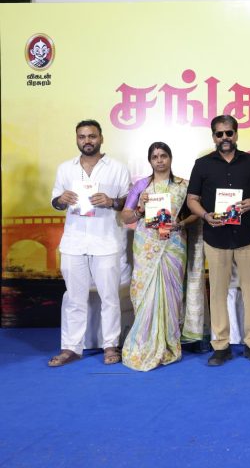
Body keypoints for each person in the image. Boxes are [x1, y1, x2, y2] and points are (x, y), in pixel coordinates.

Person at [186, 115, 250, 366]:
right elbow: (192, 199)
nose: (225, 138)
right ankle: (221, 346)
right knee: (218, 293)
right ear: (213, 136)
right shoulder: (202, 164)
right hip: (216, 237)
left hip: (247, 235)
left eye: (229, 133)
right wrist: (205, 215)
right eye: (219, 134)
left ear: (236, 134)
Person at [48, 119, 130, 367]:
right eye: (82, 137)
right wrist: (61, 200)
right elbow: (55, 202)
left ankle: (110, 345)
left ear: (101, 138)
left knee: (110, 298)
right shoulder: (65, 169)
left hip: (106, 242)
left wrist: (111, 201)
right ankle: (71, 348)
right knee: (74, 298)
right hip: (73, 242)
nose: (87, 141)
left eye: (92, 136)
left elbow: (128, 202)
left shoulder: (117, 168)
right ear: (77, 139)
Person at [119, 142, 198, 371]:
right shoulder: (141, 186)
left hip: (173, 245)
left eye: (163, 156)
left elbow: (196, 213)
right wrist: (139, 209)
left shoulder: (183, 185)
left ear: (170, 158)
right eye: (155, 157)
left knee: (171, 295)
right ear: (150, 161)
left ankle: (169, 344)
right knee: (145, 293)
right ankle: (143, 343)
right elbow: (126, 217)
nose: (160, 160)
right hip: (146, 245)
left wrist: (180, 224)